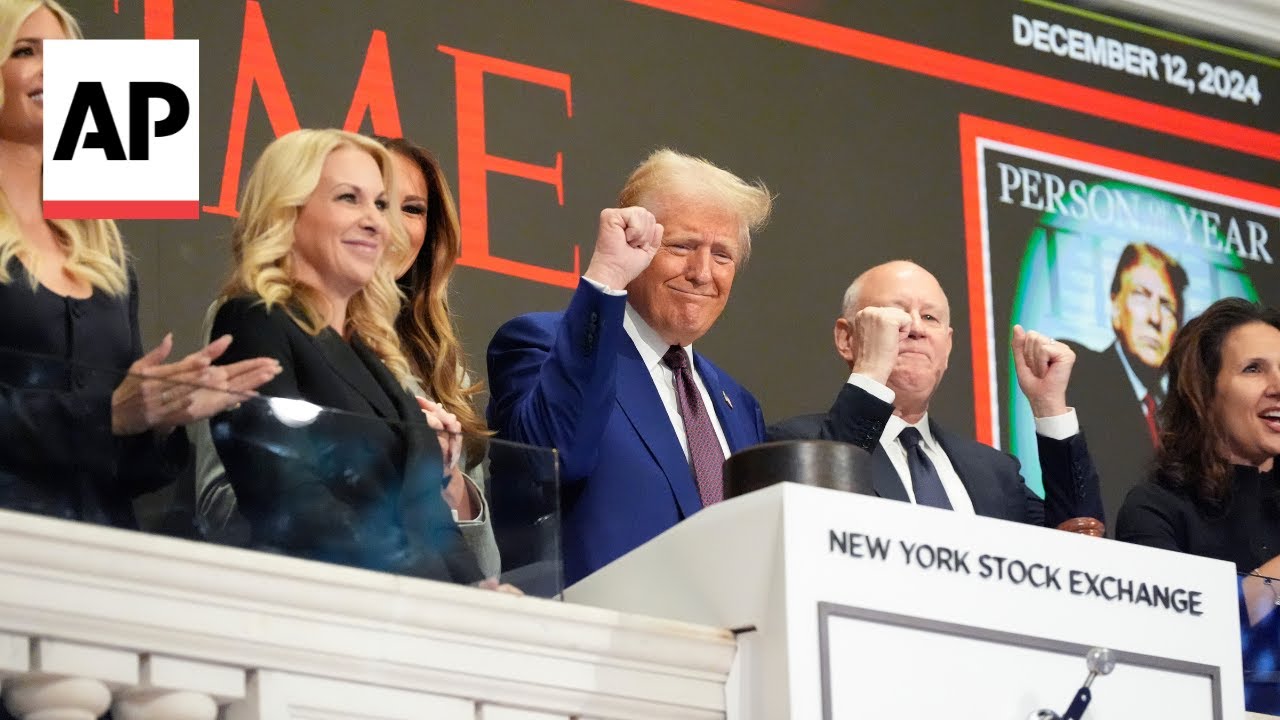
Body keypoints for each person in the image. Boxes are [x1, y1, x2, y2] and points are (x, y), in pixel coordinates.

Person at [0, 0, 278, 529]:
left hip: (99, 555)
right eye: (25, 52)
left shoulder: (104, 256)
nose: (53, 71)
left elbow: (128, 467)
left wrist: (159, 417)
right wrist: (107, 415)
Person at [192, 135, 502, 580]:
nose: (379, 223)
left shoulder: (379, 358)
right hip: (321, 607)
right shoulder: (254, 321)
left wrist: (478, 594)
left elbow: (430, 520)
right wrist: (417, 580)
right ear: (289, 209)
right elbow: (290, 500)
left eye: (382, 205)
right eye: (349, 199)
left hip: (410, 618)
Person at [486, 148, 771, 585]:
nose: (701, 272)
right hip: (592, 639)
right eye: (682, 246)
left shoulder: (739, 406)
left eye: (723, 256)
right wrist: (608, 276)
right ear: (636, 243)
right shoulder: (541, 344)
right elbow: (555, 462)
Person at [769, 260, 1104, 528]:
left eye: (930, 317)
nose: (915, 328)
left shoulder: (994, 472)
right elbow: (817, 524)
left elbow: (1080, 540)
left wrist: (1050, 406)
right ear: (847, 339)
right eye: (896, 314)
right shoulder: (798, 445)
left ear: (948, 346)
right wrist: (870, 373)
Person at [1114, 297, 1280, 710]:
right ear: (1204, 393)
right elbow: (1177, 640)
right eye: (1253, 369)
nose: (1277, 385)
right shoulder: (1156, 509)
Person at [379, 135, 500, 578]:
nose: (392, 225)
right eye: (376, 201)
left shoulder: (444, 370)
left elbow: (486, 572)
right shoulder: (274, 322)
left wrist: (449, 480)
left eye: (413, 209)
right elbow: (222, 509)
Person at [1067, 242, 1189, 520]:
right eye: (1141, 296)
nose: (1155, 317)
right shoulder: (1081, 373)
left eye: (1167, 306)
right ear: (1114, 306)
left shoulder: (1184, 416)